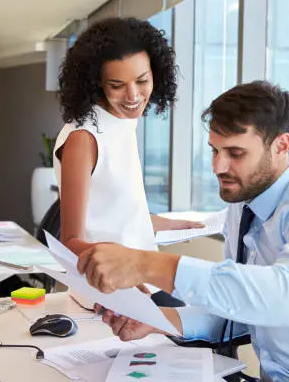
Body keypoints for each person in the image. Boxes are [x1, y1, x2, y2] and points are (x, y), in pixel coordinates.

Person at [77, 81, 289, 381]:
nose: (218, 167)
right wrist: (158, 318)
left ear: (281, 145)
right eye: (214, 151)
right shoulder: (243, 206)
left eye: (235, 154)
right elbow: (240, 311)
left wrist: (146, 265)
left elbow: (288, 299)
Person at [54, 17, 202, 305]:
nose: (133, 95)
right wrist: (125, 271)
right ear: (96, 83)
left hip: (141, 280)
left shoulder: (120, 122)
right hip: (115, 292)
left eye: (142, 80)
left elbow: (112, 212)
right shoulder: (84, 137)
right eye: (117, 85)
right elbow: (71, 241)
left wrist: (167, 223)